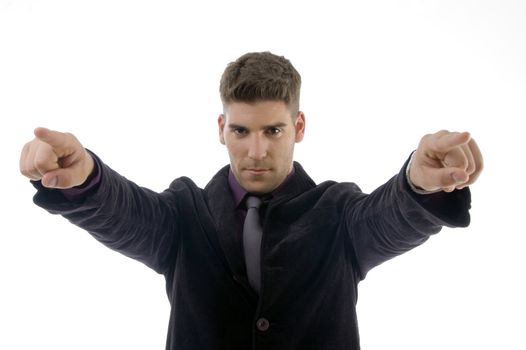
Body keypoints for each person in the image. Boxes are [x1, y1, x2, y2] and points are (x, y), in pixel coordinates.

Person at [19, 51, 483, 350]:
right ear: (221, 129)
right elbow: (123, 212)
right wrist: (82, 178)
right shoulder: (185, 215)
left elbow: (388, 217)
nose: (256, 151)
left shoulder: (338, 214)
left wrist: (418, 181)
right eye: (240, 131)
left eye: (273, 131)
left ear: (298, 127)